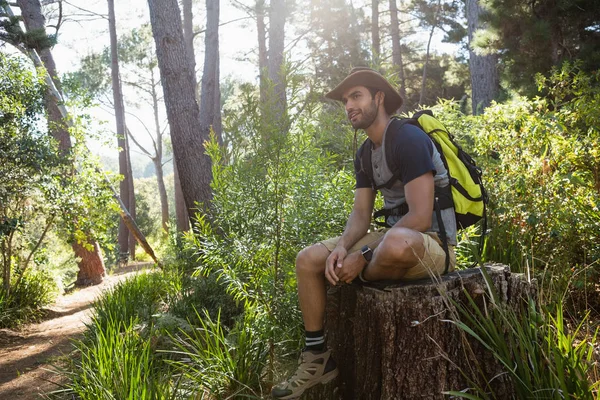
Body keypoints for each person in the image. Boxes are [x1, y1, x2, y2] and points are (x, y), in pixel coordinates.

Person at [271, 67, 457, 399]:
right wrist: (343, 247)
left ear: (379, 98)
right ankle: (316, 359)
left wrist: (364, 256)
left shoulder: (409, 139)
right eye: (345, 100)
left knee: (396, 243)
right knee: (308, 259)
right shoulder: (365, 153)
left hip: (431, 245)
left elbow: (420, 216)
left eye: (356, 96)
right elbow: (360, 215)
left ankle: (363, 272)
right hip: (391, 241)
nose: (349, 106)